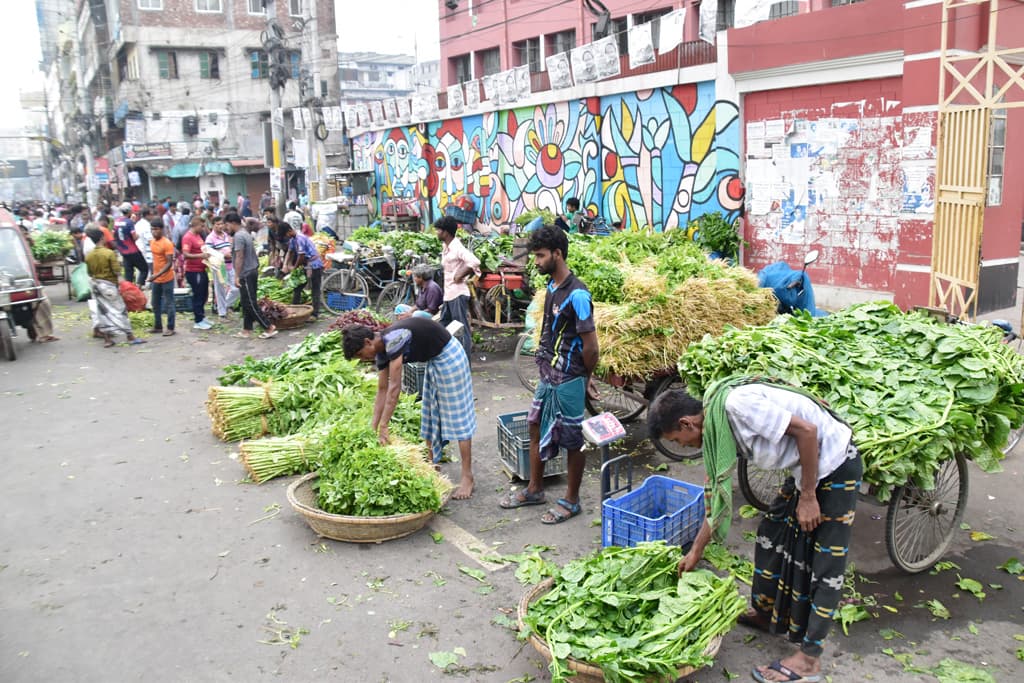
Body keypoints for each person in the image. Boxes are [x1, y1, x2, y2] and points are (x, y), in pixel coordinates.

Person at [647, 377, 862, 683]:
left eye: (677, 440)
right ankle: (765, 612)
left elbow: (808, 431)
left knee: (826, 562)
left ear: (687, 423)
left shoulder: (737, 405)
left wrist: (809, 496)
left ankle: (809, 660)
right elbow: (716, 499)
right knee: (771, 532)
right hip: (805, 468)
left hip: (834, 463)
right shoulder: (717, 425)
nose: (682, 446)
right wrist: (695, 551)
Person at [499, 225, 598, 524]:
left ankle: (571, 499)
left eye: (541, 256)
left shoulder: (578, 295)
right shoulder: (552, 288)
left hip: (569, 378)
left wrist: (586, 377)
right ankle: (535, 489)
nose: (537, 262)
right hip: (548, 374)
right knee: (534, 425)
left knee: (572, 439)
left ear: (557, 254)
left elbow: (591, 346)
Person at [342, 317, 476, 499]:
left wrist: (384, 426)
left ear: (367, 342)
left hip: (450, 357)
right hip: (434, 360)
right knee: (430, 414)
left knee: (458, 418)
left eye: (360, 354)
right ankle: (432, 466)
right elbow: (382, 389)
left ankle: (467, 476)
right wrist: (373, 428)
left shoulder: (394, 339)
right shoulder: (380, 351)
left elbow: (395, 389)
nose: (363, 359)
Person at [84, 227, 145, 348]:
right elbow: (117, 271)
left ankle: (107, 339)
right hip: (109, 285)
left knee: (103, 312)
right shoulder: (109, 253)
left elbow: (89, 273)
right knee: (121, 310)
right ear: (102, 237)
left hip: (97, 285)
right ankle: (130, 336)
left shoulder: (89, 255)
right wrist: (124, 285)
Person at [434, 216, 479, 361]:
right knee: (442, 326)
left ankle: (465, 362)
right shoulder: (446, 247)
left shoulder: (456, 246)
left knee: (462, 329)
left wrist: (459, 275)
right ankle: (442, 356)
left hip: (458, 294)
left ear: (446, 232)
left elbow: (474, 261)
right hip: (449, 295)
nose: (436, 232)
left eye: (438, 230)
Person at [229, 212, 277, 339]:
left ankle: (268, 327)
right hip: (252, 270)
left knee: (250, 303)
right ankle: (246, 329)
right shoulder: (245, 233)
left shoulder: (239, 236)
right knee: (245, 302)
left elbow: (239, 256)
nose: (226, 228)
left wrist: (237, 276)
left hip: (246, 273)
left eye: (227, 225)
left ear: (233, 223)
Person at [280, 221, 323, 321]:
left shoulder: (300, 238)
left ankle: (315, 314)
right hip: (305, 265)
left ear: (290, 230)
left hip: (314, 265)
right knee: (298, 288)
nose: (287, 236)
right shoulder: (293, 239)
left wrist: (294, 268)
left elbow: (301, 256)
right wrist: (286, 265)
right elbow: (290, 252)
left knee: (315, 289)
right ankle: (294, 310)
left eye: (286, 234)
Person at [181, 216, 212, 330]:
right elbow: (185, 254)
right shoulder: (187, 237)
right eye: (202, 226)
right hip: (193, 271)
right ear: (195, 225)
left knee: (204, 294)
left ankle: (202, 316)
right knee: (198, 295)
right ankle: (198, 320)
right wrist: (201, 256)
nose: (203, 228)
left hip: (202, 269)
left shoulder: (198, 236)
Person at [146, 219, 176, 336]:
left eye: (156, 229)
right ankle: (158, 326)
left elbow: (169, 263)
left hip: (166, 278)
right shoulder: (152, 242)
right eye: (152, 229)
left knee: (169, 303)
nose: (154, 232)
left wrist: (156, 275)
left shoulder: (167, 243)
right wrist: (153, 274)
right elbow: (155, 260)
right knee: (155, 303)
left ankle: (170, 327)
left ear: (161, 230)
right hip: (156, 278)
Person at [205, 216, 238, 319]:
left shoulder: (226, 235)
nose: (220, 226)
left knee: (236, 288)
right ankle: (222, 313)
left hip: (230, 265)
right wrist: (223, 255)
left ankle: (226, 305)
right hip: (219, 267)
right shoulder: (210, 238)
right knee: (220, 291)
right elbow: (208, 253)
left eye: (221, 224)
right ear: (213, 225)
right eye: (217, 224)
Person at [113, 205, 148, 287]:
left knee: (129, 273)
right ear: (129, 211)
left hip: (123, 251)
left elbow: (114, 235)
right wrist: (138, 235)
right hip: (133, 250)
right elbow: (134, 237)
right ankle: (138, 288)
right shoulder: (129, 222)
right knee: (144, 269)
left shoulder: (116, 221)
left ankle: (128, 290)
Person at [135, 207, 154, 282]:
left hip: (137, 249)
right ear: (147, 215)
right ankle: (145, 283)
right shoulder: (146, 225)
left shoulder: (138, 224)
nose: (153, 216)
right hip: (144, 250)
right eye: (151, 215)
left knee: (139, 269)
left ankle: (139, 283)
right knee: (146, 269)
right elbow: (150, 240)